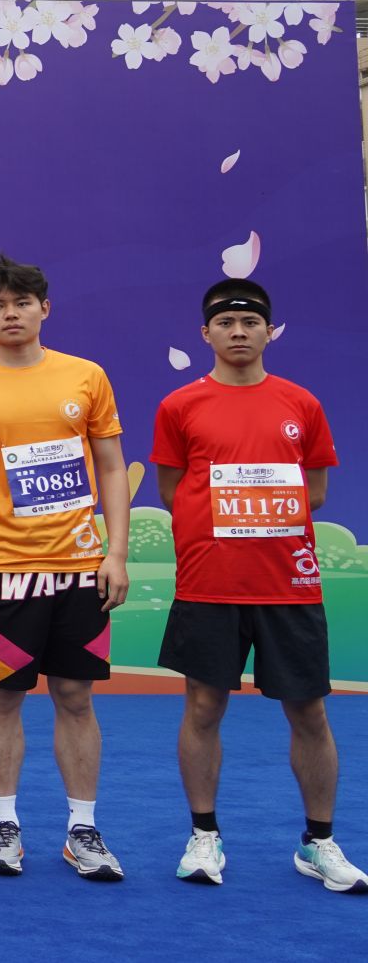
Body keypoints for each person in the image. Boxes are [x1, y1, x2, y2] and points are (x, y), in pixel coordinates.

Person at [151, 279, 364, 891]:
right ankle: (204, 836)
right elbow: (173, 492)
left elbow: (314, 492)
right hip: (209, 585)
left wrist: (260, 514)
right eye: (226, 323)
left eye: (250, 322)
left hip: (288, 586)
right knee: (203, 706)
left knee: (310, 712)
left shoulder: (302, 403)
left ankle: (318, 843)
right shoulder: (179, 406)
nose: (239, 331)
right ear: (206, 334)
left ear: (270, 332)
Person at [0, 253, 130, 882]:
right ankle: (3, 827)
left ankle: (83, 830)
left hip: (79, 566)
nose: (11, 314)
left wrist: (116, 553)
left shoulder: (86, 376)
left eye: (22, 302)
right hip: (0, 566)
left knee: (75, 697)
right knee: (3, 698)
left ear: (44, 308)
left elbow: (111, 467)